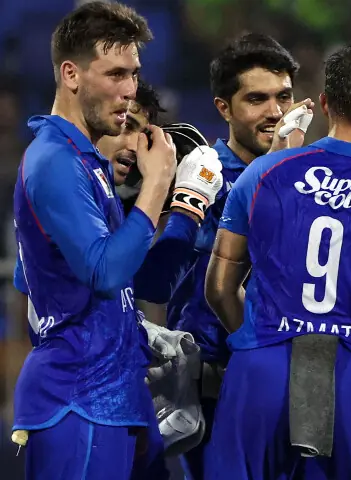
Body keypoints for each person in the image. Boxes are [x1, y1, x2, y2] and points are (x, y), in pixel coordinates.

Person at [204, 42, 351, 480]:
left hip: (261, 372)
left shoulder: (264, 173)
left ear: (327, 103)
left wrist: (259, 339)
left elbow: (219, 287)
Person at [10, 3, 223, 479]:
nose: (129, 90)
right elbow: (104, 272)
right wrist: (158, 183)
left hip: (116, 394)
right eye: (116, 74)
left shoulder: (85, 163)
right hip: (80, 399)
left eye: (134, 74)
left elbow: (119, 281)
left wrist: (138, 333)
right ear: (71, 74)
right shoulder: (54, 161)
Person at [166, 32, 313, 480]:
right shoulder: (198, 174)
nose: (275, 112)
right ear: (223, 108)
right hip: (215, 387)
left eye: (283, 97)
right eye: (257, 99)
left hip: (296, 381)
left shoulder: (315, 179)